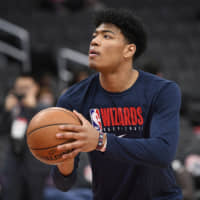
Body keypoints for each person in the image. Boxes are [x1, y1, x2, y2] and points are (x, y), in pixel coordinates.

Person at [51, 8, 182, 199]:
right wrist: (64, 157)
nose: (94, 41)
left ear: (129, 50)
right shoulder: (73, 99)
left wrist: (100, 140)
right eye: (94, 36)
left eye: (107, 36)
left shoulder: (162, 91)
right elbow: (63, 183)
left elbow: (162, 152)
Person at [1, 74, 50, 200]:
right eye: (19, 88)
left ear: (35, 88)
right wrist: (6, 111)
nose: (22, 91)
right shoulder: (13, 109)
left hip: (35, 167)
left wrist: (33, 108)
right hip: (14, 166)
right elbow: (3, 130)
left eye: (26, 88)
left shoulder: (43, 108)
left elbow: (45, 131)